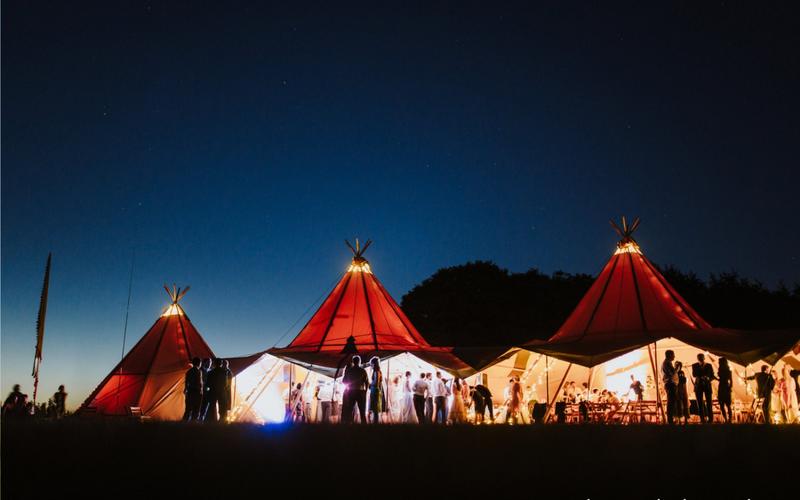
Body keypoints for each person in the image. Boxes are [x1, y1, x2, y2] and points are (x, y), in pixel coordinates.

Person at [341, 355, 368, 423]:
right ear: (359, 362)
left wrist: (350, 384)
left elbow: (344, 381)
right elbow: (367, 382)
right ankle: (364, 426)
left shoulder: (349, 371)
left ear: (353, 361)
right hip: (360, 391)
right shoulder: (363, 371)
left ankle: (349, 425)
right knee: (362, 411)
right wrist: (365, 391)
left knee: (350, 410)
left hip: (351, 391)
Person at [691, 353, 716, 423]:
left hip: (707, 385)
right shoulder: (694, 365)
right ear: (697, 358)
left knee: (709, 403)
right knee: (699, 403)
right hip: (698, 386)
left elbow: (712, 376)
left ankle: (710, 419)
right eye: (699, 357)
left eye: (701, 357)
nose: (700, 358)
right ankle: (702, 419)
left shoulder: (709, 365)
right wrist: (701, 376)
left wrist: (708, 378)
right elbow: (694, 374)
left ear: (704, 358)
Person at [205, 358, 228, 423]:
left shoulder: (211, 372)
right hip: (221, 391)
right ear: (221, 364)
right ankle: (222, 420)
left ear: (214, 363)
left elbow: (208, 383)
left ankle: (211, 420)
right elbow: (225, 383)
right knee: (222, 406)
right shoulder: (224, 372)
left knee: (212, 406)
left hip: (213, 391)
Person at [182, 357, 203, 421]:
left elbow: (186, 381)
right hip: (196, 391)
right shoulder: (198, 371)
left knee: (188, 408)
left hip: (190, 390)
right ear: (199, 363)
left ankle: (185, 421)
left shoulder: (189, 371)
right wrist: (201, 390)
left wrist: (186, 389)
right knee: (196, 408)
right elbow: (199, 382)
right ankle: (193, 422)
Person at [662, 350, 678, 424]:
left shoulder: (667, 363)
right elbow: (670, 374)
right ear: (669, 355)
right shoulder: (667, 363)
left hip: (671, 383)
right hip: (670, 384)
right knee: (671, 401)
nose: (674, 356)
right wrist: (676, 368)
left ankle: (671, 418)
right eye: (673, 355)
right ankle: (670, 420)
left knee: (671, 401)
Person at [368, 357, 384, 424]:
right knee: (375, 408)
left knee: (375, 408)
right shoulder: (379, 371)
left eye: (371, 364)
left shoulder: (376, 371)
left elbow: (376, 382)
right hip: (377, 390)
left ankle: (375, 423)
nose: (371, 365)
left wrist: (370, 384)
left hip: (375, 390)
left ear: (374, 364)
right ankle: (375, 422)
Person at [717, 358, 733, 423]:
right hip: (725, 386)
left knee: (723, 404)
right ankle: (728, 419)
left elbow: (731, 380)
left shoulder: (722, 370)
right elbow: (731, 380)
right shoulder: (727, 371)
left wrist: (730, 387)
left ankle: (727, 419)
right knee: (727, 405)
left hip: (723, 387)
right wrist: (730, 387)